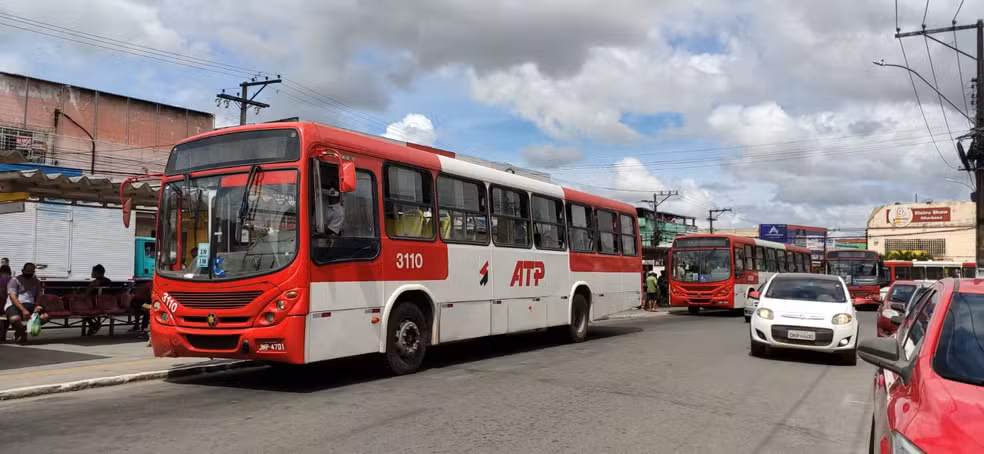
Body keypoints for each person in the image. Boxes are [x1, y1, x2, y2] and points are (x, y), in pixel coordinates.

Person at [5, 263, 47, 344]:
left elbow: (38, 296)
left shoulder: (36, 282)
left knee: (45, 317)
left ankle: (22, 330)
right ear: (22, 271)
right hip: (15, 304)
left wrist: (37, 306)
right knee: (15, 319)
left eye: (31, 273)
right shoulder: (14, 281)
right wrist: (23, 310)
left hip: (31, 304)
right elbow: (13, 297)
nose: (29, 274)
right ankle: (23, 334)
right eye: (27, 272)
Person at [84, 264, 112, 336]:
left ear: (97, 273)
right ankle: (94, 324)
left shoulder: (95, 283)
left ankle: (92, 324)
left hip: (96, 305)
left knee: (84, 310)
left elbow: (86, 294)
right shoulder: (108, 281)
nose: (91, 273)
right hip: (109, 304)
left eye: (92, 271)